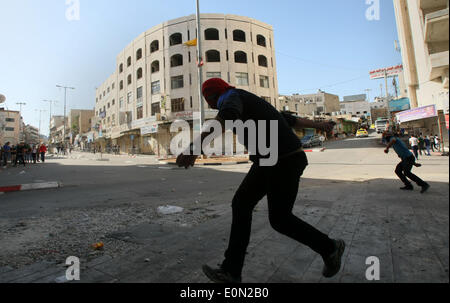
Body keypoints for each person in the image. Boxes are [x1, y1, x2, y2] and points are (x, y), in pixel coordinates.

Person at [176, 78, 345, 283]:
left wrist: (194, 148)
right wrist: (320, 125)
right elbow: (287, 119)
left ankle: (232, 270)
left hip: (281, 160)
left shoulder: (230, 97)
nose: (210, 105)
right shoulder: (247, 100)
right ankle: (329, 248)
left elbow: (227, 115)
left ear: (212, 96)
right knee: (261, 212)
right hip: (279, 159)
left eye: (208, 100)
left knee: (262, 212)